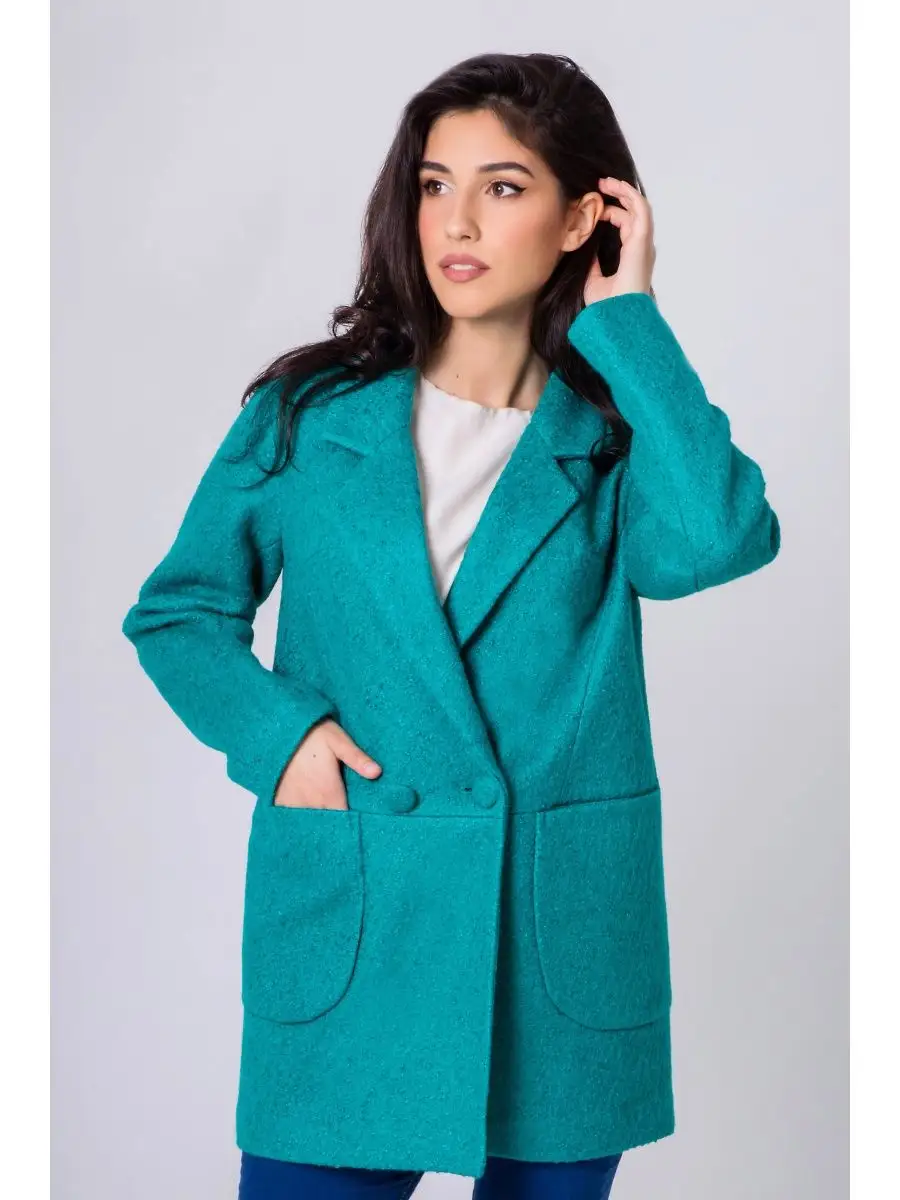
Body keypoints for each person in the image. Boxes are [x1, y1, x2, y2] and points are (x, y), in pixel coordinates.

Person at [121, 51, 781, 1200]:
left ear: (583, 218)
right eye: (434, 184)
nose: (457, 221)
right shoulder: (310, 417)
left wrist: (632, 322)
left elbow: (719, 538)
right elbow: (180, 612)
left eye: (503, 186)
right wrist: (282, 739)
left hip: (554, 941)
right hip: (359, 907)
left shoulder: (613, 444)